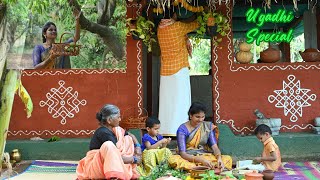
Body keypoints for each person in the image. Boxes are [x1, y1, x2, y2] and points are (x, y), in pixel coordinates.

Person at [157, 10, 200, 136]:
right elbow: (195, 24)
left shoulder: (160, 29)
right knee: (182, 101)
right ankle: (181, 130)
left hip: (165, 71)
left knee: (167, 101)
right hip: (179, 69)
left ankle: (166, 130)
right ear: (174, 15)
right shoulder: (177, 27)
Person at [76, 104, 141, 180]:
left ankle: (120, 173)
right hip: (97, 167)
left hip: (111, 164)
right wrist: (134, 159)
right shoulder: (103, 133)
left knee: (127, 139)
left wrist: (138, 147)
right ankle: (114, 176)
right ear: (109, 120)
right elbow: (115, 157)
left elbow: (130, 135)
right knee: (108, 145)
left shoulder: (116, 130)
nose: (120, 119)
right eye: (118, 117)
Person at [168, 102, 233, 171]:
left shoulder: (207, 127)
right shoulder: (182, 129)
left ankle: (205, 167)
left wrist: (219, 158)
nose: (200, 120)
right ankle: (205, 168)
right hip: (188, 157)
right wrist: (200, 160)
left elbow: (215, 148)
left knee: (227, 158)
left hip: (204, 155)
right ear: (190, 115)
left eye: (203, 117)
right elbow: (183, 154)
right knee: (174, 160)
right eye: (197, 117)